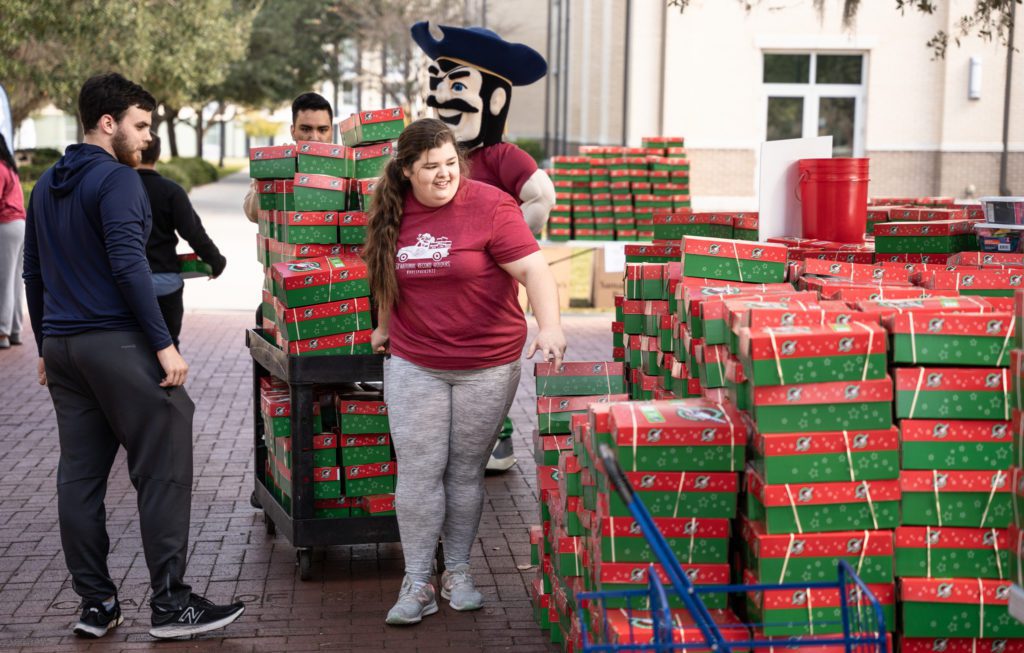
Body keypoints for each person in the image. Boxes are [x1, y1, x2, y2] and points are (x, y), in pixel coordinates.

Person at [22, 72, 244, 640]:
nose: (146, 138)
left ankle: (96, 605)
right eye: (140, 125)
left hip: (66, 348)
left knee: (80, 476)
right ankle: (170, 605)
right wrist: (163, 345)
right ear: (107, 123)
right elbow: (129, 267)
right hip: (116, 342)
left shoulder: (45, 184)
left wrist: (48, 343)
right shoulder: (119, 181)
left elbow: (34, 271)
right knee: (166, 450)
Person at [362, 118, 566, 626]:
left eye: (450, 163)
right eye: (431, 167)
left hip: (487, 364)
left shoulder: (491, 206)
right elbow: (387, 273)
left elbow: (534, 269)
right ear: (407, 170)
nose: (444, 174)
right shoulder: (391, 208)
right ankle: (416, 582)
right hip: (416, 361)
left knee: (463, 469)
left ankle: (457, 570)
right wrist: (383, 326)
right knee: (419, 468)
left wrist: (551, 327)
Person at [411, 21, 557, 472]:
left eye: (457, 84)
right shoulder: (433, 158)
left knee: (488, 360)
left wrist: (506, 244)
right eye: (437, 82)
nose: (439, 96)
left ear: (495, 99)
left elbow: (542, 195)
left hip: (484, 286)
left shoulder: (501, 157)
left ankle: (499, 436)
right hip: (435, 281)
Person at [137, 133, 226, 348]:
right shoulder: (171, 191)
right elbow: (193, 232)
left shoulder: (117, 190)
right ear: (158, 155)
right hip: (166, 282)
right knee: (168, 344)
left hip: (127, 283)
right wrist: (216, 262)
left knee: (131, 346)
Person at [242, 92, 333, 223]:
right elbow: (253, 214)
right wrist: (270, 178)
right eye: (306, 129)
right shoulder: (278, 165)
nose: (314, 137)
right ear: (293, 131)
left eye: (322, 130)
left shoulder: (347, 166)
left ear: (331, 132)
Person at [0, 133, 25, 349]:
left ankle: (2, 332)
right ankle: (15, 330)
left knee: (4, 280)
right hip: (19, 225)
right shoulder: (10, 168)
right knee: (15, 281)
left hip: (5, 225)